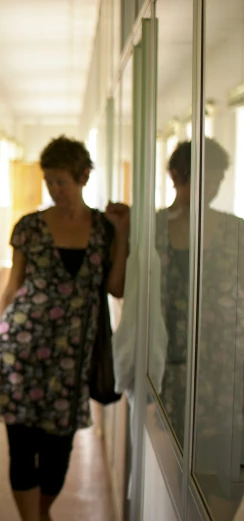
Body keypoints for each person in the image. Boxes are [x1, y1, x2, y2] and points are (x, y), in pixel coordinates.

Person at [0, 136, 129, 521]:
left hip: (72, 360)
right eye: (49, 181)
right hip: (19, 351)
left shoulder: (105, 231)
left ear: (84, 177)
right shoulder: (29, 227)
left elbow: (116, 287)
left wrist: (123, 235)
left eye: (62, 181)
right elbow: (12, 288)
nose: (55, 189)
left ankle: (42, 513)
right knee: (22, 449)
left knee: (58, 455)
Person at [156, 139, 244, 519]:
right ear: (176, 176)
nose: (211, 187)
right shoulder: (154, 228)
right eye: (202, 178)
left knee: (227, 464)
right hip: (177, 370)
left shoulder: (235, 229)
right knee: (187, 464)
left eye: (217, 179)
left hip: (230, 367)